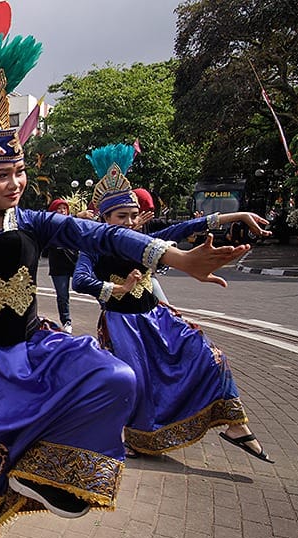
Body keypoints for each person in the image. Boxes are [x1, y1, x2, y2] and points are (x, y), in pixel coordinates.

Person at [0, 35, 251, 538]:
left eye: (19, 171)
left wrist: (177, 257)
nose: (15, 183)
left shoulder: (35, 223)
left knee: (116, 377)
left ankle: (57, 480)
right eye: (1, 174)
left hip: (31, 353)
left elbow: (102, 235)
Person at [73, 144, 274, 463]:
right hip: (122, 325)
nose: (129, 222)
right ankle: (134, 438)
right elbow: (80, 280)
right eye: (122, 216)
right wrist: (117, 288)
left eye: (133, 215)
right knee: (135, 382)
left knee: (210, 356)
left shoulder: (141, 241)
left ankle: (235, 425)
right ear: (104, 217)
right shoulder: (93, 244)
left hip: (157, 317)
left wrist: (237, 215)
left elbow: (184, 228)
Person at [46, 198, 78, 333]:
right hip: (58, 267)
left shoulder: (73, 224)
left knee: (92, 285)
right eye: (58, 209)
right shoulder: (49, 226)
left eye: (64, 208)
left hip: (75, 262)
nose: (62, 211)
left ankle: (107, 310)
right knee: (63, 296)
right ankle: (66, 321)